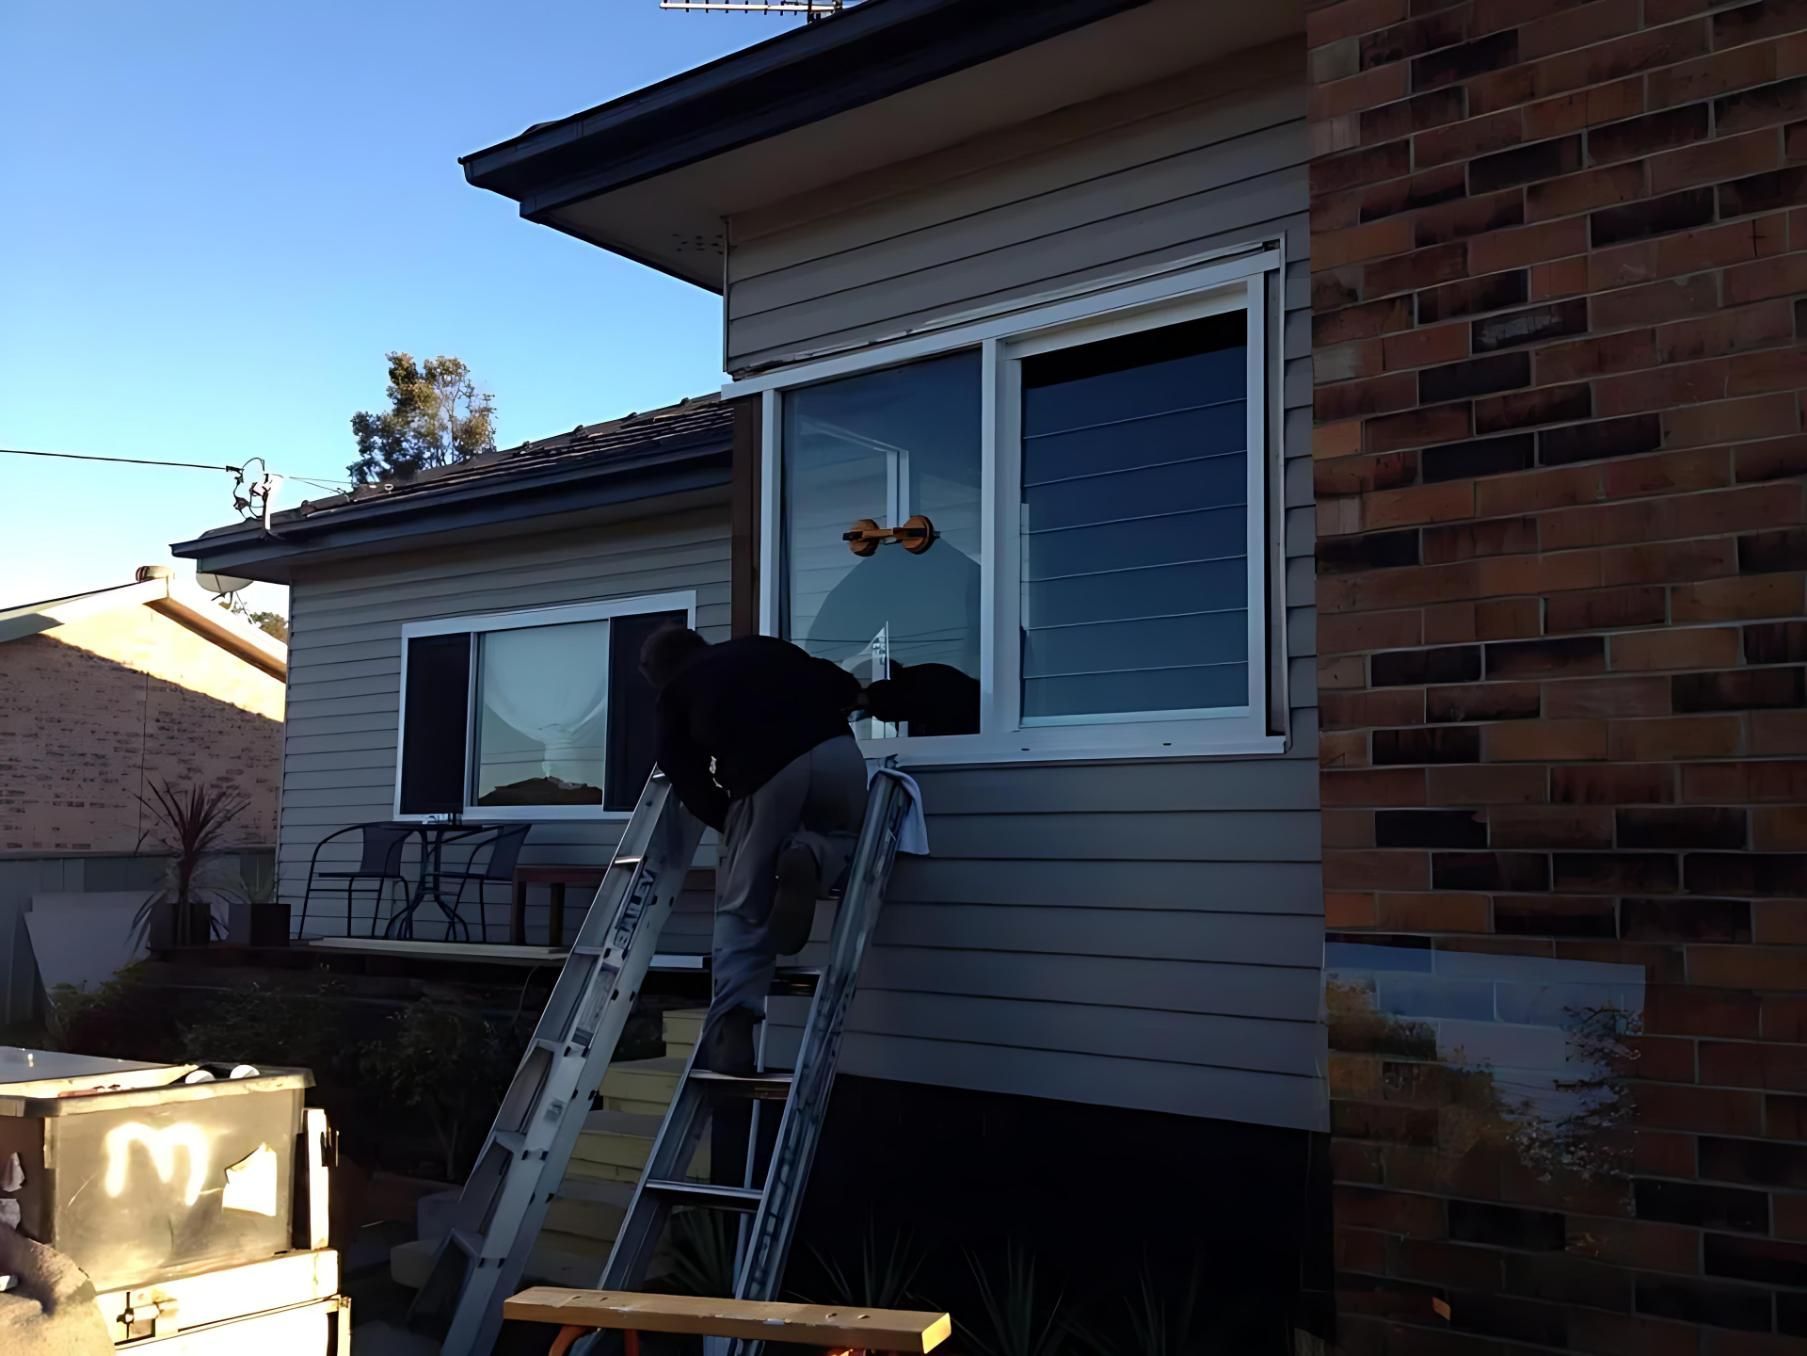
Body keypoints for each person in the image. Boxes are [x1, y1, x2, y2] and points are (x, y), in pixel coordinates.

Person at [640, 625, 869, 1184]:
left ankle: (735, 1022)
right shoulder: (764, 647)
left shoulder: (676, 692)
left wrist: (733, 825)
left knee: (742, 903)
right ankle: (810, 856)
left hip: (768, 774)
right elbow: (846, 689)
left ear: (660, 672)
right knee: (842, 837)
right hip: (840, 755)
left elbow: (684, 772)